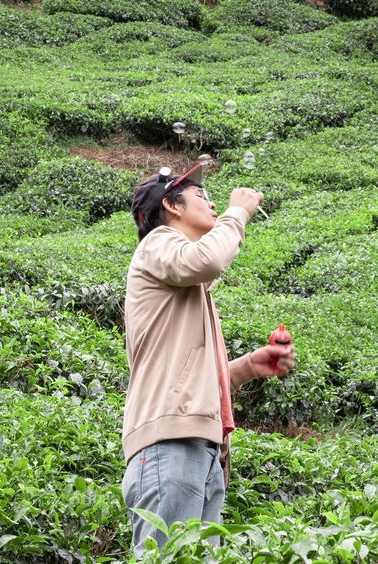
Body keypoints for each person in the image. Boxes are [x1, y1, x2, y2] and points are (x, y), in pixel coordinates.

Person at [121, 162, 297, 555]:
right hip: (170, 446)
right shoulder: (157, 244)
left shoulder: (185, 287)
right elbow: (208, 260)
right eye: (201, 195)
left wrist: (250, 366)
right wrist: (238, 212)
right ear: (172, 206)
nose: (213, 202)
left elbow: (187, 373)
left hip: (198, 448)